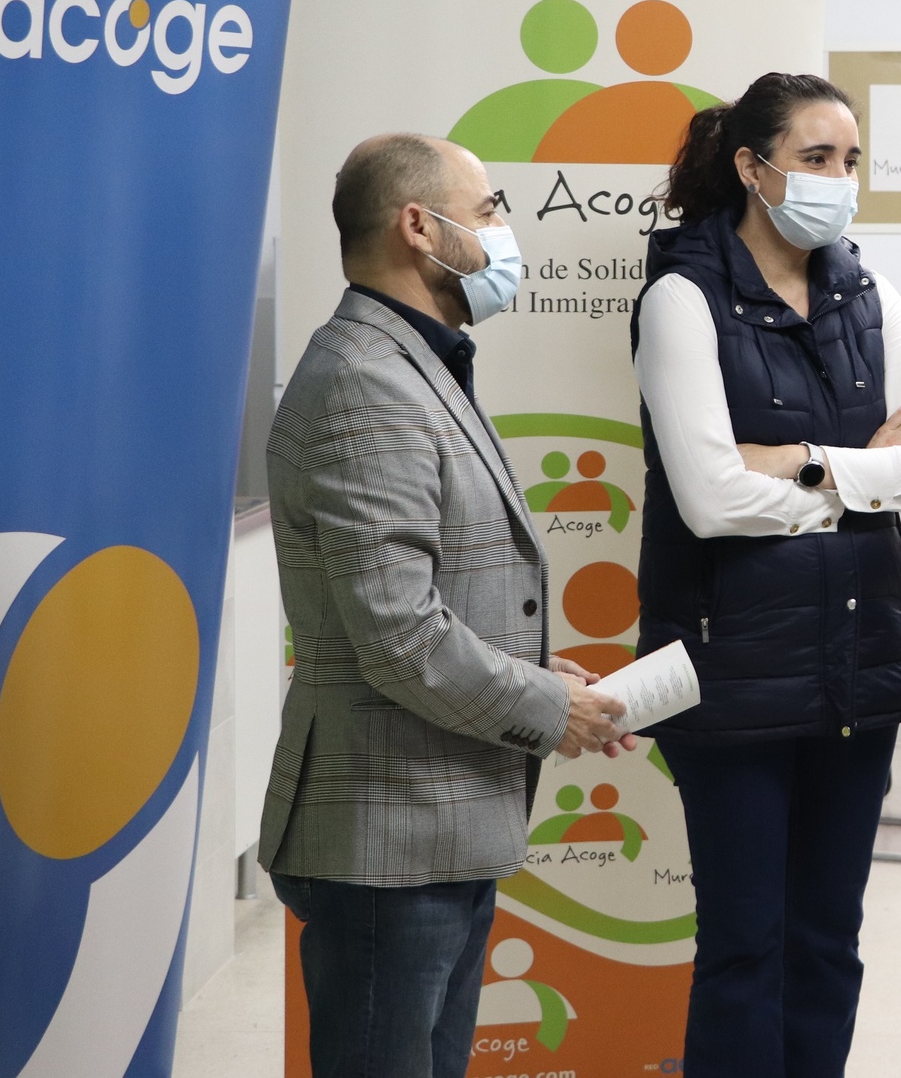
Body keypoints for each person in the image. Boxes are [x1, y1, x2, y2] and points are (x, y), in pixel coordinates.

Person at [259, 133, 631, 1078]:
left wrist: (535, 670)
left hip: (433, 819)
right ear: (420, 228)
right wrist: (552, 709)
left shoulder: (414, 361)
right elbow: (399, 637)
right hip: (389, 834)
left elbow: (419, 599)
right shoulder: (366, 385)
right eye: (494, 209)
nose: (506, 233)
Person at [630, 72, 901, 1078]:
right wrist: (864, 470)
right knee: (744, 950)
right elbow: (709, 500)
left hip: (856, 675)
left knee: (827, 945)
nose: (838, 181)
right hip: (730, 683)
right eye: (816, 159)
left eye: (849, 161)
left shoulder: (868, 291)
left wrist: (806, 462)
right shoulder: (683, 297)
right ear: (750, 167)